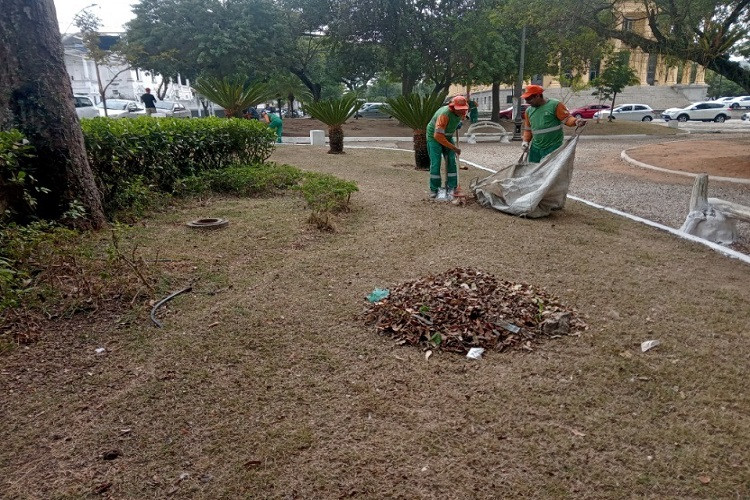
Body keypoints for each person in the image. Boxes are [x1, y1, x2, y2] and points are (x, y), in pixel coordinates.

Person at [521, 84, 585, 162]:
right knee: (533, 170)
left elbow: (567, 118)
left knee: (550, 172)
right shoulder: (529, 111)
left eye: (529, 99)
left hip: (553, 147)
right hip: (536, 148)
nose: (527, 102)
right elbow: (528, 129)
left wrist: (576, 121)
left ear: (537, 96)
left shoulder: (554, 105)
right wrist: (525, 141)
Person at [426, 95, 469, 199]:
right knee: (436, 162)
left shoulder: (461, 112)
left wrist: (458, 123)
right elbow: (438, 136)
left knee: (451, 160)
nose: (462, 112)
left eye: (464, 110)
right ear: (452, 107)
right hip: (434, 137)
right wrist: (454, 148)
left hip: (448, 136)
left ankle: (452, 187)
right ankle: (434, 189)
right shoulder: (444, 115)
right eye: (460, 110)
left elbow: (460, 117)